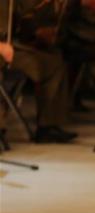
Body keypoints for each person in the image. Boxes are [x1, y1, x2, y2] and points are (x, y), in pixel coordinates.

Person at [0, 0, 77, 143]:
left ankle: (48, 126)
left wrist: (36, 31)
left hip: (9, 46)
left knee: (52, 63)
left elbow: (23, 15)